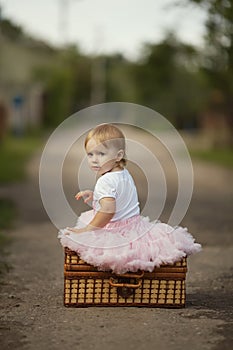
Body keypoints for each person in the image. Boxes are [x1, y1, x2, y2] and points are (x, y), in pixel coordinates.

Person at [58, 123, 201, 273]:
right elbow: (119, 197)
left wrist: (88, 229)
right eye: (90, 154)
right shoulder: (123, 173)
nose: (94, 160)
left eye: (101, 154)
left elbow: (107, 211)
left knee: (87, 243)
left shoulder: (105, 181)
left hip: (115, 230)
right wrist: (96, 196)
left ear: (118, 155)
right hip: (134, 228)